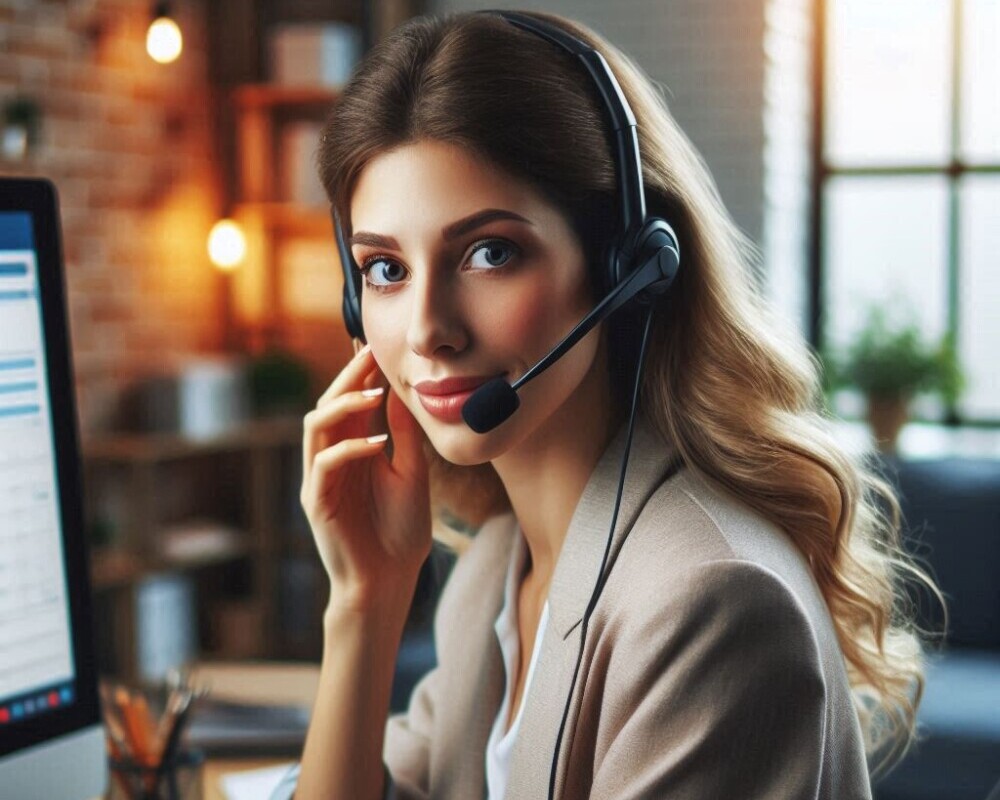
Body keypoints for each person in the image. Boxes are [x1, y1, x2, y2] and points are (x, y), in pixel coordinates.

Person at [271, 9, 944, 800]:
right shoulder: (495, 566)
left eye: (491, 253)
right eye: (384, 269)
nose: (426, 330)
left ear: (630, 266)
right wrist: (364, 603)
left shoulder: (707, 600)